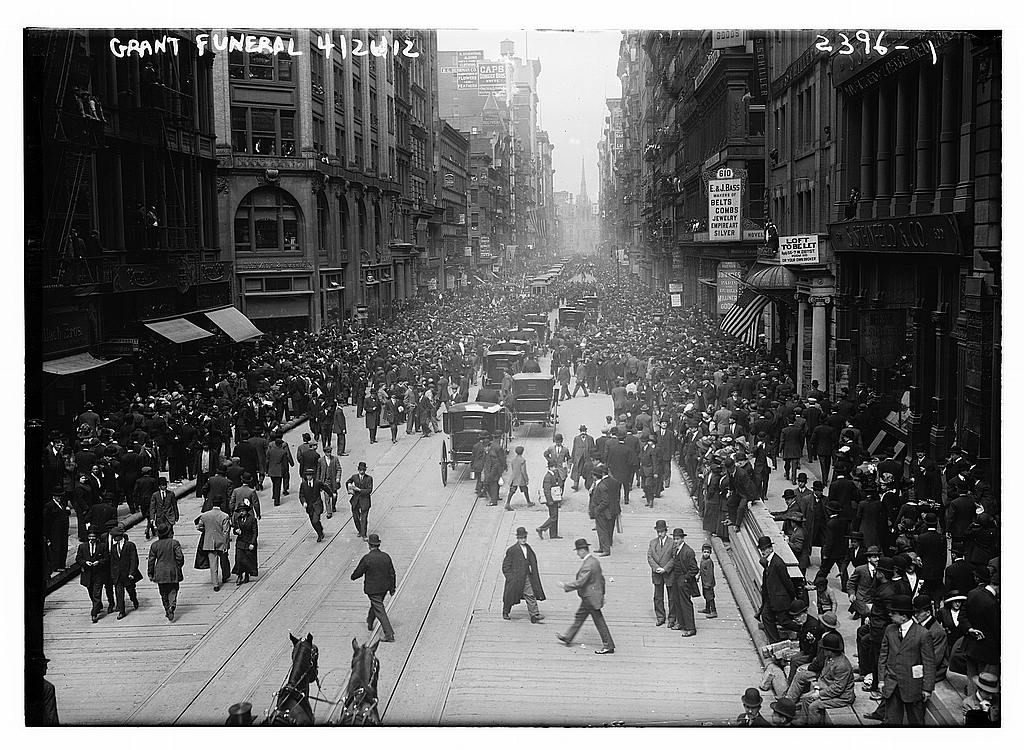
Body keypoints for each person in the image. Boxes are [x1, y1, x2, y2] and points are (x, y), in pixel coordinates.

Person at [875, 594, 936, 725]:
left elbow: (929, 663)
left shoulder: (923, 634)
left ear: (904, 616)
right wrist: (881, 680)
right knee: (891, 721)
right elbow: (883, 656)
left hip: (912, 686)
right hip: (891, 684)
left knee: (916, 721)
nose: (890, 614)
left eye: (894, 613)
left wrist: (927, 688)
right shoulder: (890, 630)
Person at [556, 538, 616, 654]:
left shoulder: (588, 565)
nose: (577, 554)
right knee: (580, 616)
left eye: (578, 551)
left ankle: (609, 645)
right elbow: (602, 580)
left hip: (590, 598)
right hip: (592, 596)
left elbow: (580, 582)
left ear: (583, 550)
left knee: (599, 621)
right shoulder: (594, 561)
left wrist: (565, 586)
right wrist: (602, 594)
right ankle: (568, 637)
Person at [792, 631, 855, 725]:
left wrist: (818, 694)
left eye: (824, 649)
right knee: (805, 698)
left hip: (842, 697)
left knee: (814, 706)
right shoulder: (829, 658)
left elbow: (838, 688)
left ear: (830, 650)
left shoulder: (842, 665)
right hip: (828, 688)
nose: (823, 651)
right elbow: (822, 676)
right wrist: (817, 689)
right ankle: (803, 721)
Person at [351, 533, 396, 642]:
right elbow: (392, 573)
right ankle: (370, 621)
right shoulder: (386, 556)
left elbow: (358, 572)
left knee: (379, 609)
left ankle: (389, 634)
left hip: (373, 589)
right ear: (378, 544)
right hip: (384, 588)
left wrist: (353, 577)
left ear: (369, 545)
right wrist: (392, 588)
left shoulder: (367, 558)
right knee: (376, 605)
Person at [757, 535, 798, 642]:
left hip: (780, 599)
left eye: (765, 549)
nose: (763, 551)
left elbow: (787, 581)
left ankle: (802, 629)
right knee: (766, 616)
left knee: (783, 621)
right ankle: (775, 641)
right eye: (761, 549)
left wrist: (793, 596)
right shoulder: (769, 562)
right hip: (771, 598)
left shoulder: (778, 563)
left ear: (771, 548)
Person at [501, 527, 546, 623]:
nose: (523, 539)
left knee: (530, 594)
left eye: (525, 537)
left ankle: (534, 615)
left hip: (526, 576)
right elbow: (505, 567)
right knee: (510, 596)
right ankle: (506, 612)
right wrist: (510, 578)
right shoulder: (512, 550)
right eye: (521, 538)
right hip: (515, 578)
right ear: (517, 538)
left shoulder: (528, 548)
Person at [148, 522, 184, 621]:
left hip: (160, 572)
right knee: (173, 589)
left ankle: (167, 608)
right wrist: (178, 566)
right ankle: (172, 605)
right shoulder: (174, 543)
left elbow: (151, 560)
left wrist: (150, 572)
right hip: (172, 570)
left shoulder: (154, 545)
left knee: (163, 592)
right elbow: (180, 557)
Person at [667, 527, 699, 637]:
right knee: (677, 601)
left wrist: (685, 578)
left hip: (684, 581)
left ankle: (691, 628)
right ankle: (681, 623)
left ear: (682, 539)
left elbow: (694, 569)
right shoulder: (677, 550)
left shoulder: (688, 551)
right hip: (676, 580)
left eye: (677, 539)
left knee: (686, 603)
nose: (675, 541)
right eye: (674, 539)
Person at [76, 526, 109, 623]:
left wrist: (99, 562)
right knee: (91, 592)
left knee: (97, 594)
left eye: (93, 537)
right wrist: (85, 562)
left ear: (97, 537)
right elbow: (78, 559)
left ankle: (94, 614)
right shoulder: (82, 547)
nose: (91, 539)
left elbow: (106, 558)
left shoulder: (102, 546)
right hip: (87, 574)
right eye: (90, 537)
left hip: (99, 573)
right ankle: (98, 605)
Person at [196, 503, 232, 591]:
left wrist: (207, 531)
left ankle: (215, 584)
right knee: (224, 560)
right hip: (221, 542)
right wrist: (226, 544)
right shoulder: (224, 516)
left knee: (213, 564)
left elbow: (199, 526)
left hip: (209, 543)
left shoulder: (205, 515)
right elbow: (226, 532)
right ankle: (225, 576)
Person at [108, 524, 141, 619]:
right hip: (117, 575)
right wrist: (112, 574)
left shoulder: (130, 545)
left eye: (116, 536)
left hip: (127, 574)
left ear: (120, 536)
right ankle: (121, 611)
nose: (114, 538)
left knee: (131, 591)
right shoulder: (113, 547)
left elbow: (134, 560)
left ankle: (134, 600)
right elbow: (113, 562)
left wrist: (132, 573)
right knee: (119, 593)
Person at [647, 520, 675, 627]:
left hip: (669, 573)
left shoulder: (672, 542)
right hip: (657, 573)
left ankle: (672, 618)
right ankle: (660, 617)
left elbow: (674, 558)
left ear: (666, 531)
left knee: (672, 597)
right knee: (658, 597)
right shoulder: (653, 543)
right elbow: (649, 557)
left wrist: (665, 569)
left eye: (662, 531)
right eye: (658, 531)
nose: (660, 534)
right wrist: (657, 568)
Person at [43, 486, 71, 575]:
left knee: (63, 547)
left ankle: (62, 564)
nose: (59, 498)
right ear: (54, 496)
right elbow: (46, 521)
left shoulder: (61, 504)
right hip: (54, 532)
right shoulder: (49, 505)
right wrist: (47, 534)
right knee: (56, 548)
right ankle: (56, 566)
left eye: (60, 496)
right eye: (57, 496)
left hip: (63, 531)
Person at [231, 498, 259, 586]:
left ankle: (247, 574)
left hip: (249, 542)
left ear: (246, 511)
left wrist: (252, 543)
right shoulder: (238, 519)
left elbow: (255, 532)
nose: (241, 513)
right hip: (240, 542)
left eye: (243, 511)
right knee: (239, 559)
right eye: (240, 511)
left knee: (247, 560)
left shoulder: (252, 519)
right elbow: (234, 529)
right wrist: (236, 531)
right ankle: (239, 575)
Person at [537, 459, 564, 539]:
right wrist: (549, 501)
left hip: (554, 499)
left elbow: (559, 483)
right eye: (554, 467)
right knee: (553, 516)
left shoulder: (553, 474)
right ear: (550, 467)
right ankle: (541, 528)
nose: (555, 468)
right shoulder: (548, 477)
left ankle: (553, 534)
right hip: (551, 500)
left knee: (554, 516)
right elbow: (546, 490)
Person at [299, 467, 328, 543]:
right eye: (307, 475)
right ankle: (320, 531)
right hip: (309, 506)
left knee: (315, 520)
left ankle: (320, 535)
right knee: (313, 521)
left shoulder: (317, 482)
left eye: (310, 475)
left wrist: (331, 494)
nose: (308, 477)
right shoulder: (303, 484)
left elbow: (325, 487)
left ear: (312, 476)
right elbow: (301, 495)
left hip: (317, 504)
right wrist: (304, 502)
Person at [346, 461, 374, 539]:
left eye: (363, 470)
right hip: (355, 500)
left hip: (365, 501)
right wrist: (349, 489)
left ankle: (364, 534)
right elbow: (348, 482)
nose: (362, 471)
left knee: (364, 519)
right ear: (358, 469)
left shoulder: (369, 478)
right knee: (355, 517)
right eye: (361, 470)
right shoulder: (354, 477)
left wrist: (359, 490)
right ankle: (360, 531)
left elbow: (369, 490)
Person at [317, 444, 343, 519]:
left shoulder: (335, 459)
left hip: (333, 481)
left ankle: (333, 505)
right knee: (327, 496)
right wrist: (318, 481)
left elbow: (339, 469)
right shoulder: (320, 460)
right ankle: (329, 512)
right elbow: (318, 471)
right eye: (327, 452)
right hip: (325, 481)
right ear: (324, 452)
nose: (329, 454)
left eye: (330, 452)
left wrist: (338, 478)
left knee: (334, 495)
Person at [266, 435, 293, 506]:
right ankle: (276, 501)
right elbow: (284, 463)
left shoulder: (270, 451)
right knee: (278, 485)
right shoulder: (283, 452)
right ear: (281, 444)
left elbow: (267, 461)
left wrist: (266, 470)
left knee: (274, 483)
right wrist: (285, 471)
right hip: (279, 471)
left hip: (271, 470)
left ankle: (274, 495)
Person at [505, 445, 534, 510]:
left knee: (512, 491)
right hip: (520, 478)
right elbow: (523, 471)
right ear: (522, 452)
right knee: (525, 490)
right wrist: (526, 479)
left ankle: (507, 503)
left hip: (514, 477)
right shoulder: (522, 460)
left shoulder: (513, 460)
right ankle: (529, 502)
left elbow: (513, 468)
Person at [569, 425, 595, 492]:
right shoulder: (576, 438)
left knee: (588, 472)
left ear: (586, 431)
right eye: (582, 431)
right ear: (580, 431)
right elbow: (574, 449)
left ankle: (588, 485)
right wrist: (572, 459)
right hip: (579, 459)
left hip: (587, 458)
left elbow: (593, 449)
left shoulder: (590, 438)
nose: (583, 432)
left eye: (584, 431)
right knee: (576, 471)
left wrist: (593, 458)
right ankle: (575, 485)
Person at [698, 542, 717, 618]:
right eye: (704, 552)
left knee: (710, 597)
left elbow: (710, 573)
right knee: (706, 595)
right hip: (704, 581)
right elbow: (701, 569)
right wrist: (698, 576)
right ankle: (707, 608)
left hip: (708, 583)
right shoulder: (703, 560)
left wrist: (708, 584)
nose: (706, 554)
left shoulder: (709, 562)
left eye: (708, 552)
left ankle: (713, 611)